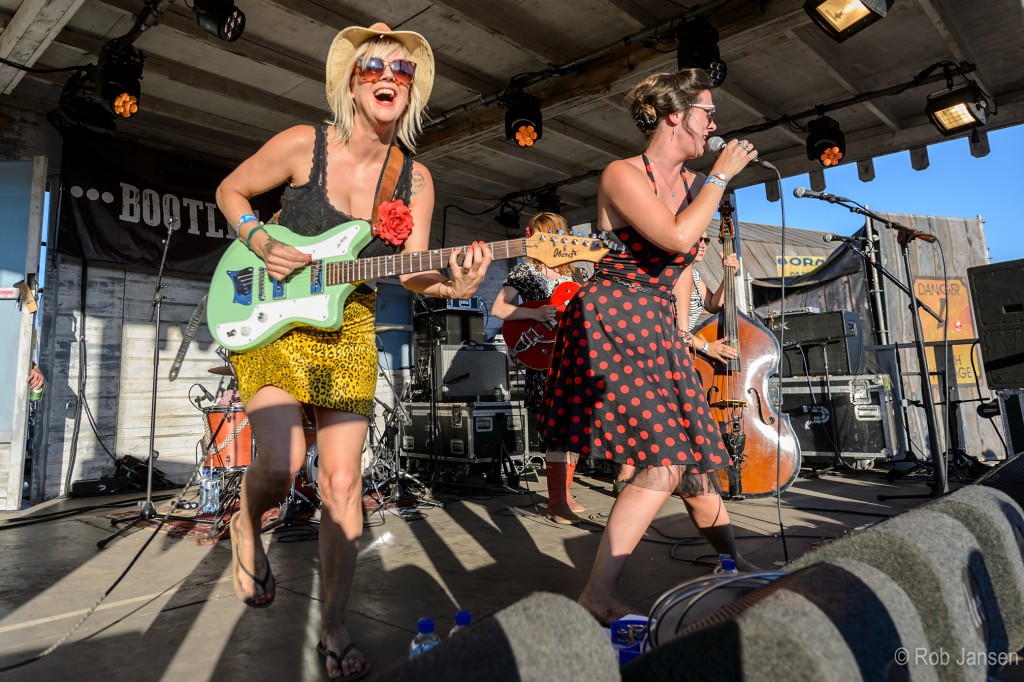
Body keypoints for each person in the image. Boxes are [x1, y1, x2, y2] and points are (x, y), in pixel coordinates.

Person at [215, 22, 492, 680]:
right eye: (373, 66)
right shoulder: (303, 144)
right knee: (281, 464)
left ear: (413, 87)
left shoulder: (414, 179)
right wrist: (258, 240)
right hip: (275, 316)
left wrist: (453, 280)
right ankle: (246, 523)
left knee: (344, 486)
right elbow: (231, 190)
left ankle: (334, 626)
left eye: (401, 68)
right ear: (352, 80)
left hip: (352, 325)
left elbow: (410, 270)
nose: (388, 75)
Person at [536, 68, 760, 624]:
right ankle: (598, 593)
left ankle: (738, 567)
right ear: (674, 115)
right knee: (663, 458)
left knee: (693, 460)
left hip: (657, 326)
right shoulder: (621, 174)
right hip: (613, 319)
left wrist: (701, 316)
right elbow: (678, 238)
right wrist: (722, 177)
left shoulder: (689, 186)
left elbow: (687, 277)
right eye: (707, 111)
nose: (715, 123)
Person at [611, 235, 739, 494]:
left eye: (707, 240)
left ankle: (665, 473)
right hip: (661, 352)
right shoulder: (673, 273)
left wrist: (729, 275)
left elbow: (714, 304)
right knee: (653, 416)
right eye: (698, 238)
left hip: (678, 353)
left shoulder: (693, 275)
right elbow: (672, 329)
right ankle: (628, 475)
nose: (703, 243)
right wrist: (707, 347)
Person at [490, 211, 582, 522]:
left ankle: (565, 494)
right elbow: (499, 308)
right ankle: (557, 501)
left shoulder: (576, 276)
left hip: (575, 358)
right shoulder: (524, 274)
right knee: (556, 431)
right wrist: (537, 313)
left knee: (575, 430)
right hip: (544, 362)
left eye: (544, 235)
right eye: (535, 235)